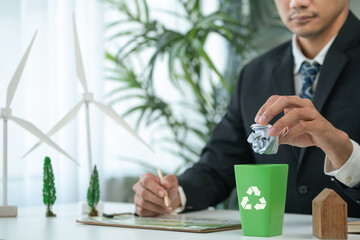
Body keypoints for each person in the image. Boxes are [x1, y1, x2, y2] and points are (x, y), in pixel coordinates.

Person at [132, 0, 360, 217]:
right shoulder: (255, 73)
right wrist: (175, 194)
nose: (296, 3)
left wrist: (343, 151)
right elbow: (220, 164)